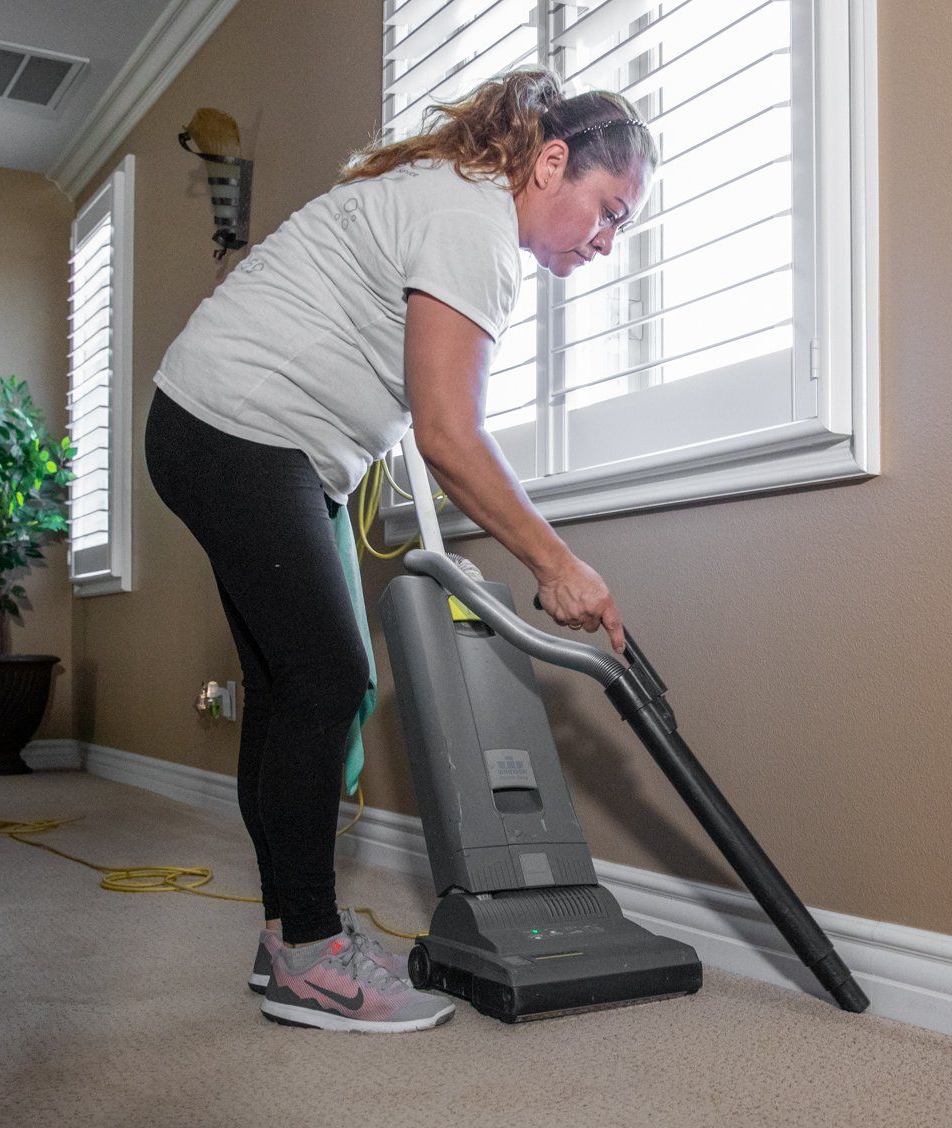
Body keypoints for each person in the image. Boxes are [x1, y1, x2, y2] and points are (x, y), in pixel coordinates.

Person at [144, 69, 657, 1033]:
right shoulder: (472, 224)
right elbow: (449, 435)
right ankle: (310, 955)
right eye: (608, 209)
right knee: (329, 683)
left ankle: (289, 940)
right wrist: (557, 564)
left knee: (298, 687)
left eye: (621, 226)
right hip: (243, 428)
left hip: (232, 433)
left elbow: (426, 411)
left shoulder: (458, 205)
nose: (606, 239)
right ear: (551, 163)